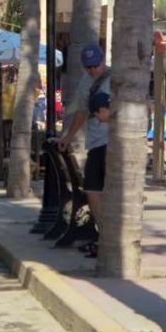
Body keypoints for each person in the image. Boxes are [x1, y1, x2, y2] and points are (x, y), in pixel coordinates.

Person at [56, 43, 111, 258]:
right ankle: (103, 233)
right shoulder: (85, 83)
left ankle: (108, 236)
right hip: (95, 143)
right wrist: (68, 136)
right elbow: (80, 112)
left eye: (95, 65)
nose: (92, 70)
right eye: (88, 67)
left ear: (102, 60)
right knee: (92, 190)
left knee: (104, 190)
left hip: (113, 143)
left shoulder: (115, 78)